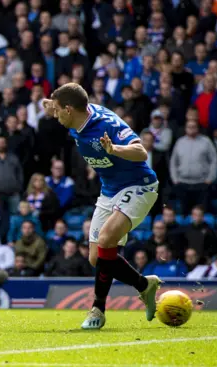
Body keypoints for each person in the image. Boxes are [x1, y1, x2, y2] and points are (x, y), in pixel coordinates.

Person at [44, 83, 162, 330]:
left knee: (107, 238)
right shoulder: (75, 116)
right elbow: (61, 103)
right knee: (96, 257)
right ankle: (144, 285)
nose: (55, 115)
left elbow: (141, 152)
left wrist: (114, 149)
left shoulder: (105, 125)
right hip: (109, 190)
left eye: (57, 110)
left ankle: (97, 309)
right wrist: (49, 104)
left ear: (68, 109)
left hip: (138, 186)